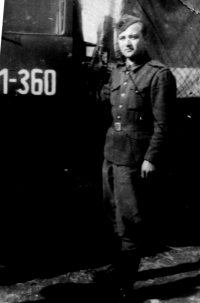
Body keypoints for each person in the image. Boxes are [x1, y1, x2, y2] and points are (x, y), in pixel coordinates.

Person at [101, 14, 176, 302]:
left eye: (133, 36)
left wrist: (151, 158)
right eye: (122, 38)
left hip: (135, 157)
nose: (127, 42)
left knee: (130, 221)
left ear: (144, 39)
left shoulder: (158, 74)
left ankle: (124, 287)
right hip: (111, 152)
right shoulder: (118, 72)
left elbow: (165, 124)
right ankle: (119, 269)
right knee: (112, 214)